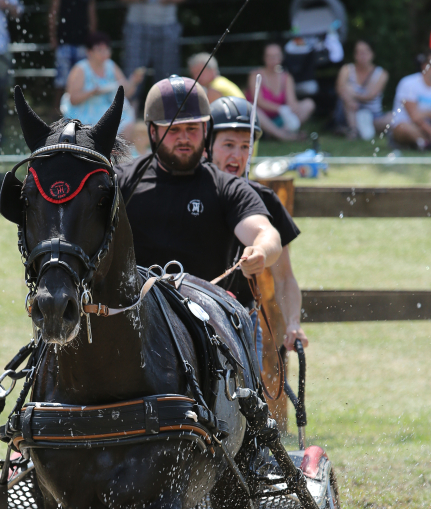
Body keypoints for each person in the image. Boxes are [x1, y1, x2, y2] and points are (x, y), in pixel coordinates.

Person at [117, 76, 282, 353]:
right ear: (153, 132)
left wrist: (261, 252)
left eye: (192, 128)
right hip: (135, 323)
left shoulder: (226, 186)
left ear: (206, 129)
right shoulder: (123, 184)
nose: (184, 138)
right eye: (174, 129)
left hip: (211, 327)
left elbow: (265, 233)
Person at [209, 96, 308, 354]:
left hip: (242, 323)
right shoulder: (190, 191)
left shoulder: (264, 200)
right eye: (228, 145)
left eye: (245, 146)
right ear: (208, 145)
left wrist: (293, 323)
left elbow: (285, 277)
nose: (237, 155)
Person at [62, 31, 143, 136]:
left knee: (127, 123)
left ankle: (118, 152)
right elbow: (73, 99)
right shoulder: (80, 69)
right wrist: (92, 92)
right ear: (89, 52)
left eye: (106, 49)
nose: (104, 53)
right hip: (85, 113)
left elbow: (126, 93)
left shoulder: (110, 66)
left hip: (107, 110)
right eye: (100, 50)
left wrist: (134, 81)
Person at [247, 43, 315, 142]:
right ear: (264, 58)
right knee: (252, 109)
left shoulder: (286, 77)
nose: (273, 60)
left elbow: (291, 101)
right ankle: (283, 136)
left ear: (281, 57)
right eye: (269, 56)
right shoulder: (256, 75)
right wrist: (280, 108)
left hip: (280, 119)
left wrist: (293, 108)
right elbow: (258, 101)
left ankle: (280, 132)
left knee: (309, 104)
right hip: (262, 118)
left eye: (275, 56)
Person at [335, 41, 391, 140]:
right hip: (350, 111)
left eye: (365, 52)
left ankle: (361, 126)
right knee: (347, 90)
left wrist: (352, 95)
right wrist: (350, 98)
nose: (362, 56)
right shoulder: (347, 69)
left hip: (373, 115)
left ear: (372, 54)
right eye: (359, 52)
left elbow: (371, 95)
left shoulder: (381, 73)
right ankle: (354, 129)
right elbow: (340, 89)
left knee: (393, 117)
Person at [49, 0, 97, 116]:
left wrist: (92, 40)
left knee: (83, 80)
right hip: (64, 41)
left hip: (82, 42)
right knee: (61, 82)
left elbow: (92, 14)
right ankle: (58, 113)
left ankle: (79, 111)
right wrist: (52, 35)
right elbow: (53, 12)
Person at [121, 0, 184, 85]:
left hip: (168, 26)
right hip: (135, 26)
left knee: (169, 78)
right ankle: (131, 98)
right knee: (132, 75)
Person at [391, 50, 431, 150]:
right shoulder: (409, 83)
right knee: (404, 128)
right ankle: (423, 143)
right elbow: (415, 117)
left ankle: (422, 144)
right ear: (424, 65)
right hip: (410, 126)